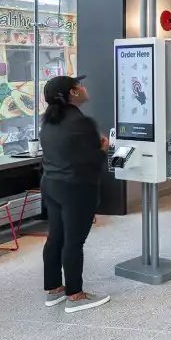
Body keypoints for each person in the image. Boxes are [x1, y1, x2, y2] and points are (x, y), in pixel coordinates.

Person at [39, 75, 109, 313]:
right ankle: (76, 295)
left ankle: (54, 289)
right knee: (74, 242)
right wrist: (103, 149)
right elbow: (90, 162)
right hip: (76, 189)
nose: (83, 87)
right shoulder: (82, 122)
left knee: (55, 237)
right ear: (73, 93)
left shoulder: (47, 121)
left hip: (51, 186)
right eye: (79, 85)